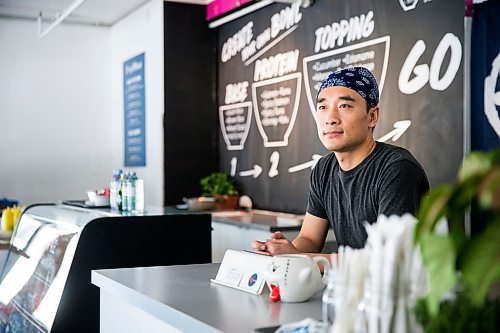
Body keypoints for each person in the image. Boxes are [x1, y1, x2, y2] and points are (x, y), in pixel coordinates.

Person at [252, 66, 429, 257]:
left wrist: (301, 258)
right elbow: (310, 239)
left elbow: (387, 261)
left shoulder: (397, 169)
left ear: (372, 116)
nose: (330, 118)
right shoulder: (323, 169)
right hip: (352, 285)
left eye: (344, 106)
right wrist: (284, 251)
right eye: (323, 107)